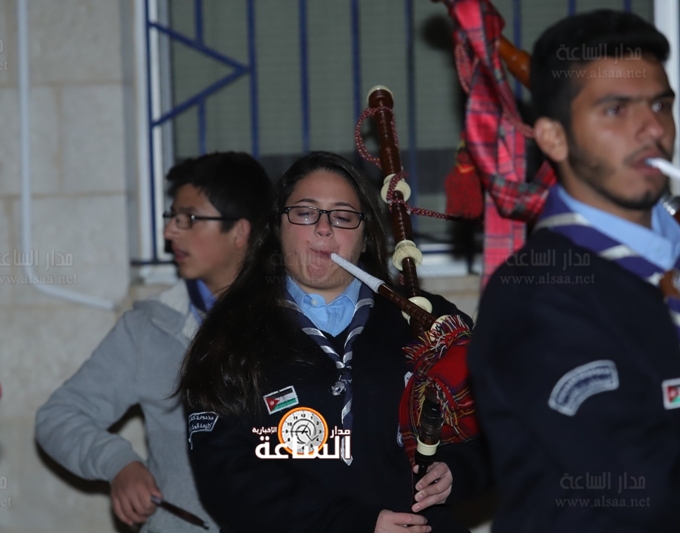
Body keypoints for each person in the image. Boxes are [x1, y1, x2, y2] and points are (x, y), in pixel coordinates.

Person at [179, 151, 487, 533]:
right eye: (306, 213)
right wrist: (353, 525)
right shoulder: (230, 334)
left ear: (366, 236)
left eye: (342, 217)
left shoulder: (427, 322)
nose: (324, 229)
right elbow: (225, 477)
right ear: (277, 227)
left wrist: (458, 471)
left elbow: (499, 425)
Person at [468, 10, 680, 532]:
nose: (653, 129)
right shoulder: (535, 295)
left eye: (660, 104)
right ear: (554, 139)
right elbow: (646, 487)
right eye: (616, 109)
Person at [35, 152, 272, 532]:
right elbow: (59, 416)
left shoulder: (298, 324)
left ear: (240, 231)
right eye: (172, 217)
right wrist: (117, 463)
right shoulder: (149, 327)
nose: (170, 232)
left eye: (189, 218)